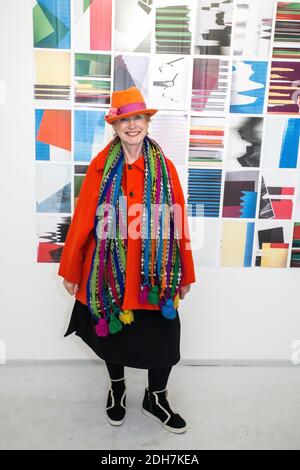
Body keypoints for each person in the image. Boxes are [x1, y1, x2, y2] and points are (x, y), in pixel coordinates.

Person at [58, 86, 196, 434]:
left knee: (164, 340)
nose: (132, 126)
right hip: (108, 273)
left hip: (154, 276)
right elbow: (83, 219)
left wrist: (186, 273)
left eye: (137, 118)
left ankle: (157, 398)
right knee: (113, 338)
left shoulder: (164, 167)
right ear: (115, 126)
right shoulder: (101, 166)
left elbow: (178, 220)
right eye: (124, 120)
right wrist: (72, 268)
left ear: (146, 122)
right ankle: (117, 390)